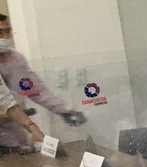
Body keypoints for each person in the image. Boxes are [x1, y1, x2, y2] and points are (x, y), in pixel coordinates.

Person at [0, 13, 84, 146]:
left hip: (15, 130)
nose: (5, 37)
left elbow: (35, 89)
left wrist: (63, 110)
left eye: (8, 31)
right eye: (0, 33)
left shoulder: (15, 60)